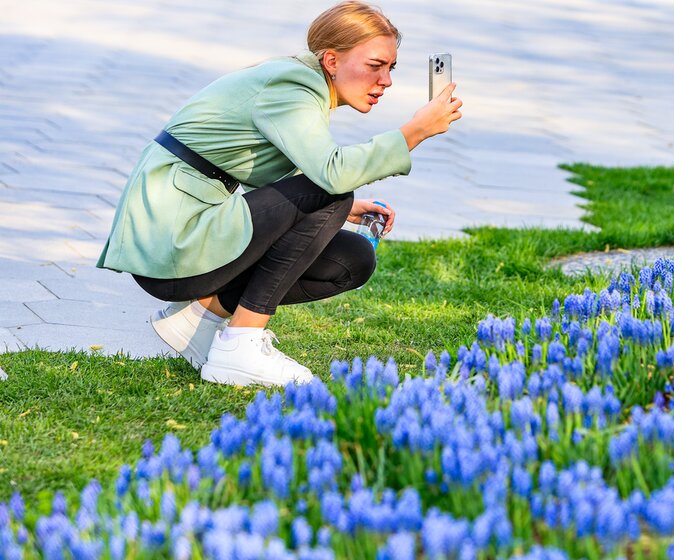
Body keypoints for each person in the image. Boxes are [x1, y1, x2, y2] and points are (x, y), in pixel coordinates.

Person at [96, 1, 463, 387]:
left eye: (391, 68)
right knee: (330, 191)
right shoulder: (293, 85)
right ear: (332, 60)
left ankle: (201, 317)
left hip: (189, 234)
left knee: (352, 258)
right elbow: (331, 173)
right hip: (170, 243)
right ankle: (241, 345)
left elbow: (286, 174)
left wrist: (344, 207)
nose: (386, 80)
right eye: (375, 66)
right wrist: (414, 132)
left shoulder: (300, 84)